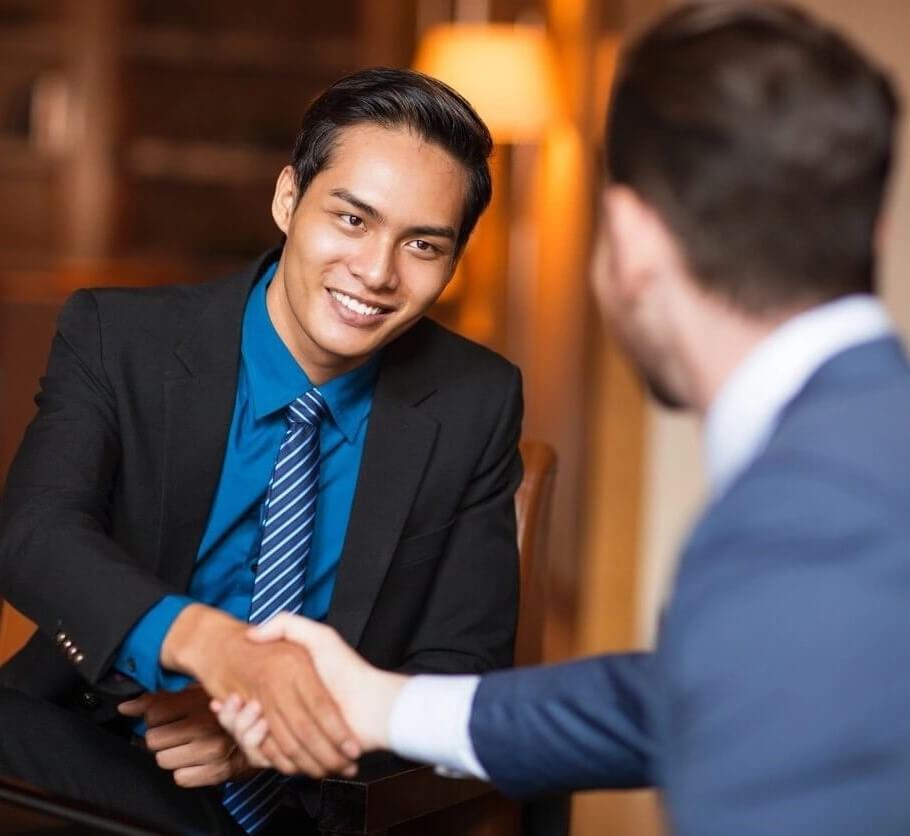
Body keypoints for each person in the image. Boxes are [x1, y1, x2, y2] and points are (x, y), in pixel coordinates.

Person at [216, 4, 910, 835]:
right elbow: (688, 690)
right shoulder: (864, 454)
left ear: (629, 239)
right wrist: (383, 706)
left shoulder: (802, 515)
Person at [0, 68, 523, 835]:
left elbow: (462, 669)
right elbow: (36, 536)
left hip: (324, 787)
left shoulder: (477, 398)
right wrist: (217, 651)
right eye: (351, 220)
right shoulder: (122, 340)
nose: (376, 273)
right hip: (102, 741)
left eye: (421, 244)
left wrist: (270, 730)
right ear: (288, 200)